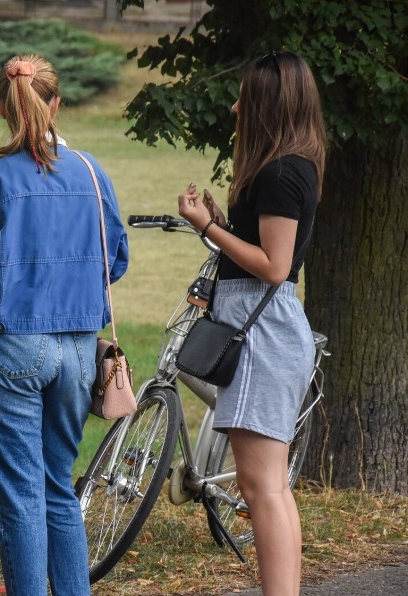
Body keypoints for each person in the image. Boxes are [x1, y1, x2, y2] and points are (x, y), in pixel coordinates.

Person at [0, 55, 129, 596]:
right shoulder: (92, 172)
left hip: (9, 345)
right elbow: (114, 262)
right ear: (56, 103)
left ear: (2, 105)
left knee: (21, 494)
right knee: (57, 488)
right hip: (77, 350)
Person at [176, 50, 326, 595]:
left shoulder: (284, 172)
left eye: (247, 97)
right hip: (261, 328)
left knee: (262, 485)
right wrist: (218, 222)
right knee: (267, 485)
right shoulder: (289, 167)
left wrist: (208, 230)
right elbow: (259, 252)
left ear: (270, 105)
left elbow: (274, 266)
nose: (237, 107)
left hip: (261, 333)